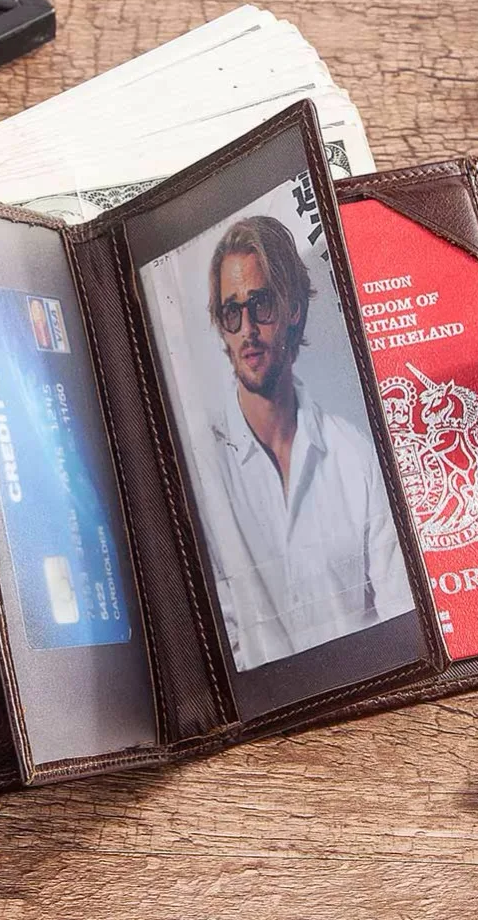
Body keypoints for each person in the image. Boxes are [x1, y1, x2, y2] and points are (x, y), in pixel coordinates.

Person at [200, 215, 414, 671]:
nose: (247, 330)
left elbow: (399, 615)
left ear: (293, 308)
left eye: (261, 304)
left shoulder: (355, 455)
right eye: (232, 312)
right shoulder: (203, 472)